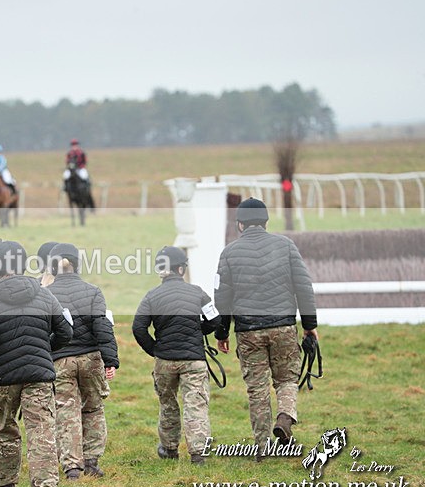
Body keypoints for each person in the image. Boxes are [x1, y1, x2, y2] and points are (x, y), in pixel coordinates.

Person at [214, 198, 318, 458]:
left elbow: (222, 298)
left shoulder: (228, 253)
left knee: (257, 390)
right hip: (283, 326)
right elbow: (303, 287)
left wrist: (222, 332)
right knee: (286, 379)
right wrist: (309, 326)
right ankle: (284, 418)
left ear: (240, 224)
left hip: (248, 331)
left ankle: (262, 447)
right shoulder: (286, 246)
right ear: (266, 221)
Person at [0, 241, 73, 487]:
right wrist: (42, 349)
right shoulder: (43, 294)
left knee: (5, 431)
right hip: (39, 375)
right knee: (41, 431)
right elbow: (66, 332)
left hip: (3, 375)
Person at [132, 246, 220, 465]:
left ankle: (170, 449)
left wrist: (154, 349)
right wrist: (198, 330)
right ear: (181, 269)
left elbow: (138, 328)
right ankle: (198, 453)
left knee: (168, 403)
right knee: (196, 405)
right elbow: (215, 320)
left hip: (165, 361)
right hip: (194, 360)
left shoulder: (151, 296)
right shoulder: (198, 292)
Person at [45, 243, 118, 479]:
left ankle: (72, 468)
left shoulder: (46, 294)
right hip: (91, 358)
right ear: (77, 265)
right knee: (93, 408)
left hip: (60, 360)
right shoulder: (93, 291)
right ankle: (92, 462)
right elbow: (102, 326)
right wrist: (110, 360)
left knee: (66, 412)